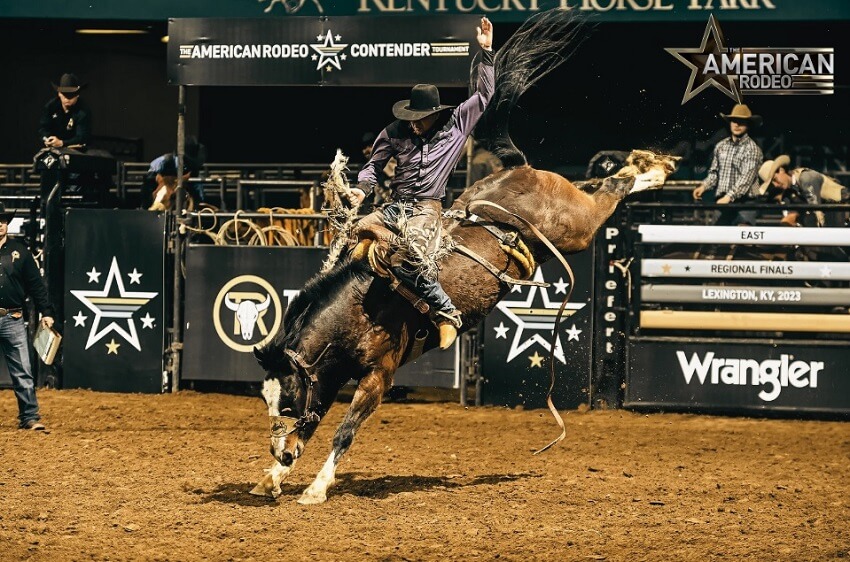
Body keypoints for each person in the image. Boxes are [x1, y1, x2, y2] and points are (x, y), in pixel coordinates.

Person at [344, 16, 494, 350]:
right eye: (409, 118)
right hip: (396, 206)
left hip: (427, 209)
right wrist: (361, 188)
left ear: (433, 114)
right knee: (352, 232)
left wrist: (486, 53)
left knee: (408, 258)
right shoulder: (393, 131)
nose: (412, 125)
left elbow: (484, 96)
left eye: (418, 119)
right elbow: (373, 166)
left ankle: (446, 312)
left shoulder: (455, 127)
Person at [0, 203, 55, 431]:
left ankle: (30, 416)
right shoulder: (19, 250)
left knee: (23, 369)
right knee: (22, 368)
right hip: (12, 318)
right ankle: (29, 416)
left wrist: (47, 311)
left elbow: (35, 285)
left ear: (7, 224)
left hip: (12, 317)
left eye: (2, 221)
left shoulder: (19, 251)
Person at [692, 104, 764, 226]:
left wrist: (729, 197)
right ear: (729, 123)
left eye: (741, 121)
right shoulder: (721, 146)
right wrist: (704, 186)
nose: (736, 124)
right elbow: (714, 173)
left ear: (748, 125)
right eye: (734, 121)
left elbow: (746, 179)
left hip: (745, 204)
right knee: (720, 241)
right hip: (723, 201)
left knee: (743, 242)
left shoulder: (753, 149)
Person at [759, 154, 849, 227]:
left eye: (775, 179)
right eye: (772, 184)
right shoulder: (794, 188)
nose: (776, 185)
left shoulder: (805, 178)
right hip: (835, 213)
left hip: (844, 208)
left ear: (781, 170)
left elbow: (817, 210)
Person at [143, 137, 207, 211]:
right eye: (186, 159)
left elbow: (197, 188)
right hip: (159, 194)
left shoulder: (192, 168)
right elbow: (148, 182)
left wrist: (198, 201)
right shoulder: (162, 162)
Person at [38, 73, 91, 150]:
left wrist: (62, 143)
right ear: (59, 94)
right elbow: (43, 129)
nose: (67, 99)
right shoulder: (51, 107)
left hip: (76, 151)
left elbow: (82, 137)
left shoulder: (83, 111)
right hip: (53, 149)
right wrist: (47, 139)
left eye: (71, 95)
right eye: (65, 95)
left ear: (77, 95)